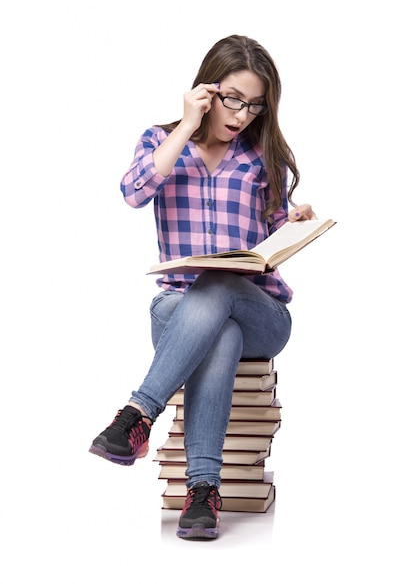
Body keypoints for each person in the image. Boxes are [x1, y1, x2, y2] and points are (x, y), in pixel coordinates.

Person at [89, 34, 316, 540]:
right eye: (233, 98)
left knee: (220, 283)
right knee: (220, 336)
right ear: (207, 90)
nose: (241, 114)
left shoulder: (261, 158)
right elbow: (133, 192)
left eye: (254, 106)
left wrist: (296, 219)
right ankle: (203, 494)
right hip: (179, 309)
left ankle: (136, 415)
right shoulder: (160, 141)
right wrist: (188, 126)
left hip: (262, 314)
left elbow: (277, 231)